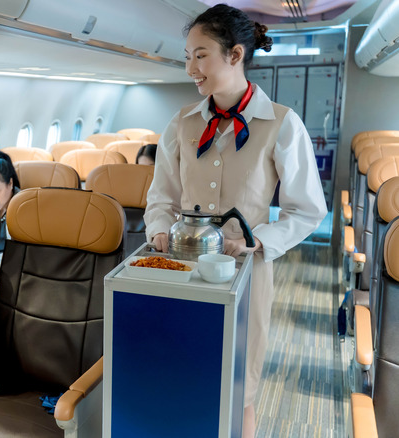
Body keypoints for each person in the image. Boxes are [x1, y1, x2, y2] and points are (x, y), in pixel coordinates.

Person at [143, 4, 327, 437]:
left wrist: (257, 241)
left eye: (200, 54)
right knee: (182, 376)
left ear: (235, 54)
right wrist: (157, 229)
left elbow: (308, 210)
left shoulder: (281, 123)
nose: (190, 67)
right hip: (181, 269)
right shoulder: (181, 123)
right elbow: (161, 196)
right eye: (187, 55)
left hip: (245, 274)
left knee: (239, 387)